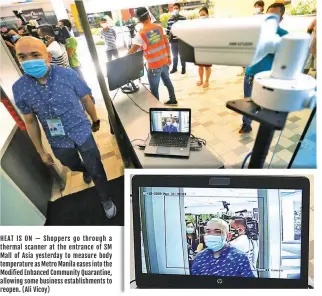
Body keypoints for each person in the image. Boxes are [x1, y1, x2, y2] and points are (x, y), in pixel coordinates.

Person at [12, 36, 116, 219]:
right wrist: (41, 151)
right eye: (22, 56)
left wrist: (95, 119)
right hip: (58, 139)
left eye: (34, 54)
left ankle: (105, 197)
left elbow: (86, 98)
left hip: (82, 131)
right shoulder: (19, 88)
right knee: (72, 164)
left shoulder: (68, 75)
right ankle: (85, 170)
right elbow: (30, 121)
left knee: (96, 167)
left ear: (47, 57)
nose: (28, 60)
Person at [239, 2, 288, 134]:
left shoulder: (284, 35)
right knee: (248, 102)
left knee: (267, 105)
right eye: (269, 15)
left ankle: (265, 127)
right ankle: (246, 124)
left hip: (268, 77)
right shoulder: (255, 32)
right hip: (250, 74)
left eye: (275, 15)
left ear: (281, 18)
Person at [128, 7, 178, 106]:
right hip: (165, 62)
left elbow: (131, 52)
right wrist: (169, 57)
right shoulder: (159, 28)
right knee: (167, 81)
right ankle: (173, 100)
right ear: (149, 15)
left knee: (154, 88)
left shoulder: (140, 35)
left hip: (154, 67)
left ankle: (157, 107)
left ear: (139, 20)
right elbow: (166, 43)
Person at [191, 218, 255, 277]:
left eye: (218, 232)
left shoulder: (239, 257)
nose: (212, 235)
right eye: (208, 231)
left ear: (228, 236)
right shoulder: (200, 257)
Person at [166, 2, 187, 74]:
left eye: (176, 8)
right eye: (174, 8)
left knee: (182, 55)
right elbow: (168, 31)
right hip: (173, 41)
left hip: (181, 40)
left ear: (179, 9)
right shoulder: (169, 20)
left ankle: (183, 68)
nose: (175, 9)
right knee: (174, 56)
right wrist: (168, 36)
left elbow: (186, 30)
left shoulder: (183, 18)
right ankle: (174, 68)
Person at [196, 7, 212, 88]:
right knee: (200, 66)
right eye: (200, 15)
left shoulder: (211, 24)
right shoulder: (198, 24)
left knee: (207, 66)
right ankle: (201, 80)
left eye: (203, 14)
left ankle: (207, 81)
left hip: (208, 48)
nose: (202, 16)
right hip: (199, 47)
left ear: (207, 15)